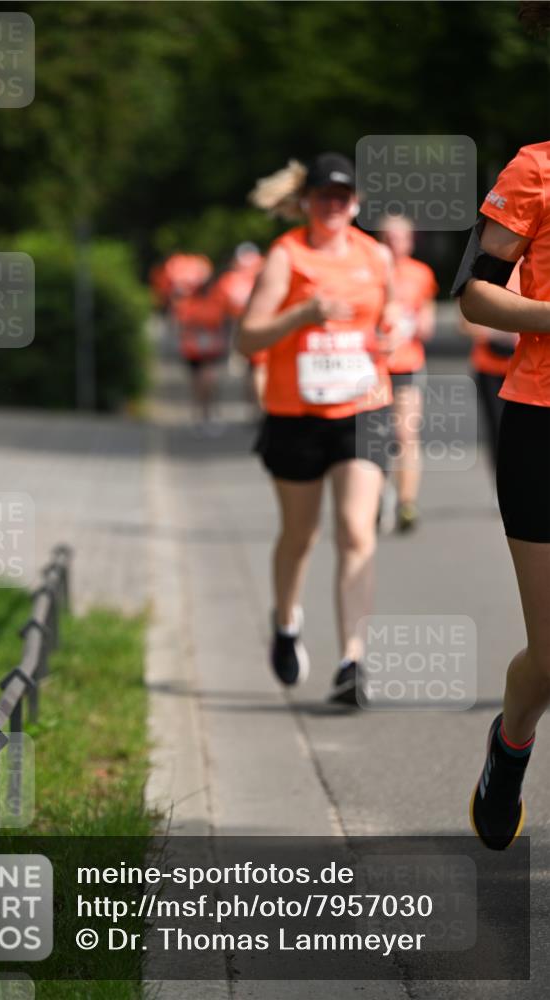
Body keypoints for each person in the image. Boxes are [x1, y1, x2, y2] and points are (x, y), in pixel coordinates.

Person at [236, 152, 398, 703]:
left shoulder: (375, 256)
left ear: (356, 203)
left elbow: (391, 319)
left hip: (364, 405)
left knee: (356, 529)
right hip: (295, 413)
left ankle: (353, 660)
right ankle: (286, 622)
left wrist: (394, 335)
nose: (334, 206)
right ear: (306, 202)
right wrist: (301, 316)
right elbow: (248, 339)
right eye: (325, 197)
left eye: (344, 197)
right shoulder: (286, 256)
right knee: (300, 535)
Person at [452, 138, 550, 849]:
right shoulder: (535, 167)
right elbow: (477, 294)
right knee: (549, 657)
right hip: (540, 422)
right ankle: (510, 746)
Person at [378, 215, 438, 532]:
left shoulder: (420, 273)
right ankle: (375, 499)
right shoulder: (369, 269)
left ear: (410, 241)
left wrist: (416, 323)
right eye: (388, 237)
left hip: (407, 364)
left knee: (405, 435)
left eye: (400, 238)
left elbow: (426, 320)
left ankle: (406, 503)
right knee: (374, 437)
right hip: (372, 368)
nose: (394, 243)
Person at [458, 266, 520, 477]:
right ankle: (501, 480)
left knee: (525, 430)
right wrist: (496, 333)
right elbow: (465, 323)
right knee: (497, 428)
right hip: (489, 367)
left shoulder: (537, 269)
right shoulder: (488, 270)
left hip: (523, 367)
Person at [172, 277, 230, 434]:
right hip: (195, 350)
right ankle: (201, 415)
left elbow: (222, 323)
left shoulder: (215, 303)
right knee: (199, 384)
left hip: (210, 349)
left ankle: (208, 413)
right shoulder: (189, 304)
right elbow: (181, 324)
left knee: (209, 382)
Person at [214, 243, 268, 409]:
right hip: (251, 324)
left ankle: (257, 405)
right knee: (257, 368)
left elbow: (220, 304)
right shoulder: (263, 274)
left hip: (244, 324)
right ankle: (258, 406)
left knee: (256, 368)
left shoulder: (232, 278)